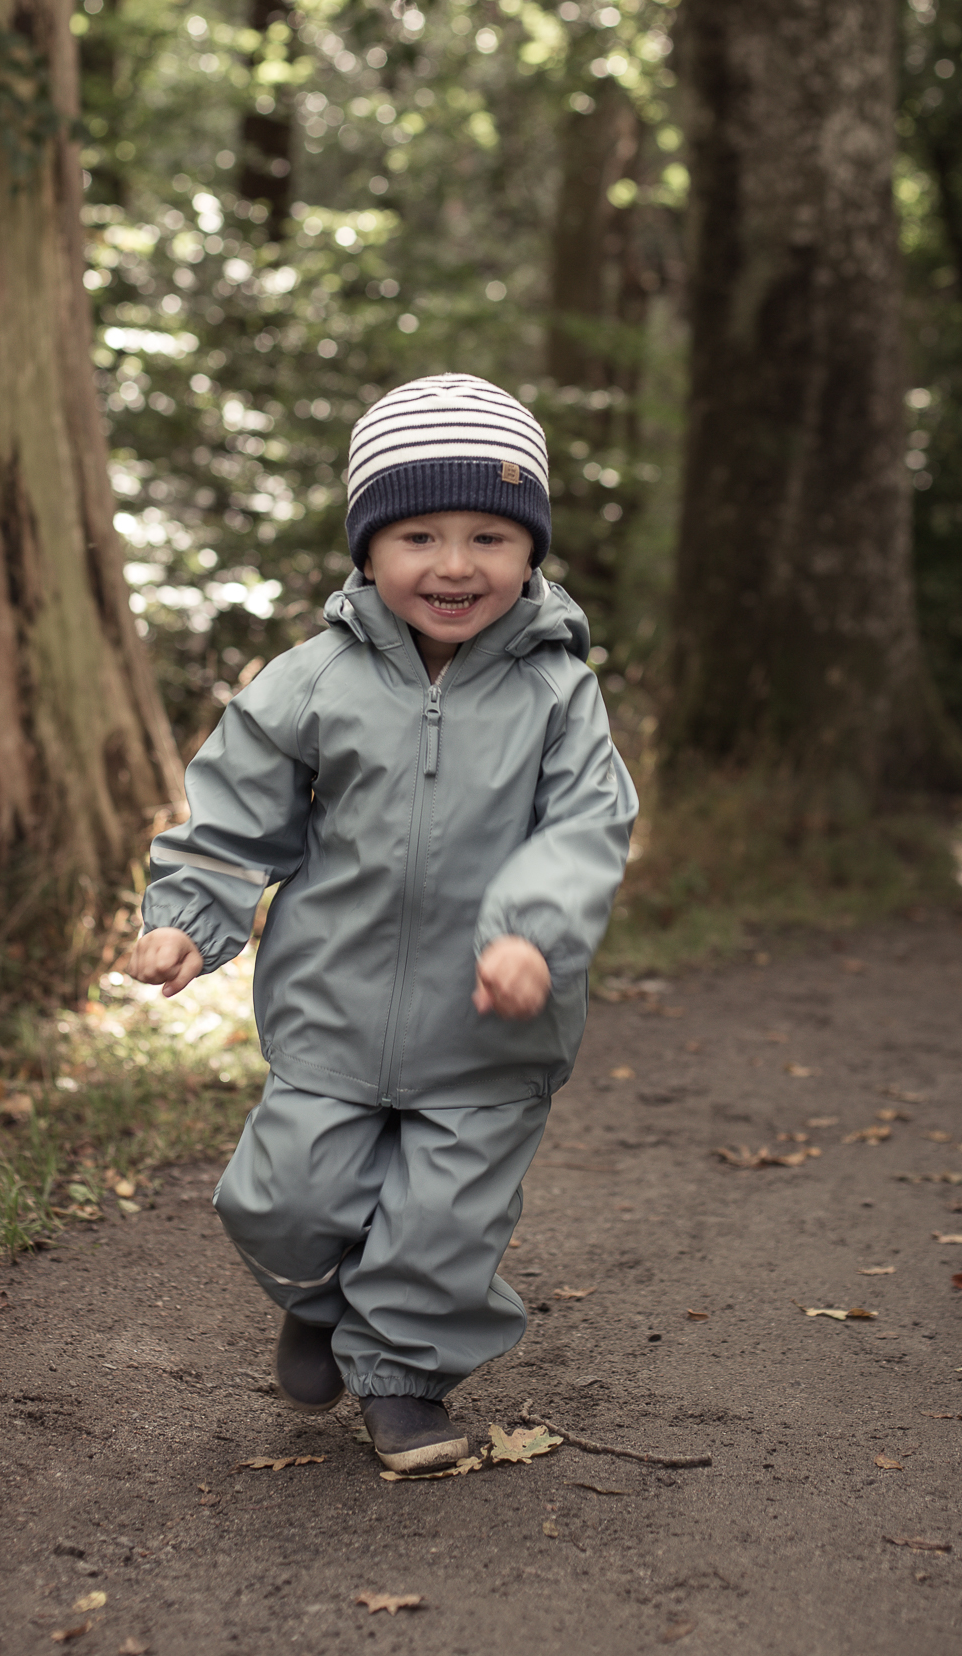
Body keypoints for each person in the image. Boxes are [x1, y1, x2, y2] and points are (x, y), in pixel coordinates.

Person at [128, 372, 638, 1473]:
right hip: (334, 1004)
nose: (456, 564)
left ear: (530, 551)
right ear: (368, 550)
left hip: (496, 1024)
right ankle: (321, 1299)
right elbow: (236, 812)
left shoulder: (560, 694)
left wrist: (528, 933)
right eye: (420, 534)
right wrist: (188, 915)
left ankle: (403, 1380)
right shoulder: (314, 680)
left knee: (444, 1222)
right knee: (283, 1197)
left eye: (490, 536)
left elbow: (588, 829)